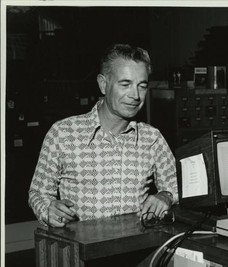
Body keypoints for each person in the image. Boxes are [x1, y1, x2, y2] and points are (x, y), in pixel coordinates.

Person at [29, 44, 178, 227]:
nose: (135, 95)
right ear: (103, 84)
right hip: (80, 251)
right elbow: (38, 193)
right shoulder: (62, 133)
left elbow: (176, 188)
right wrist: (48, 209)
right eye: (125, 84)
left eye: (142, 86)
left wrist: (165, 197)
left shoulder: (152, 138)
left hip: (137, 250)